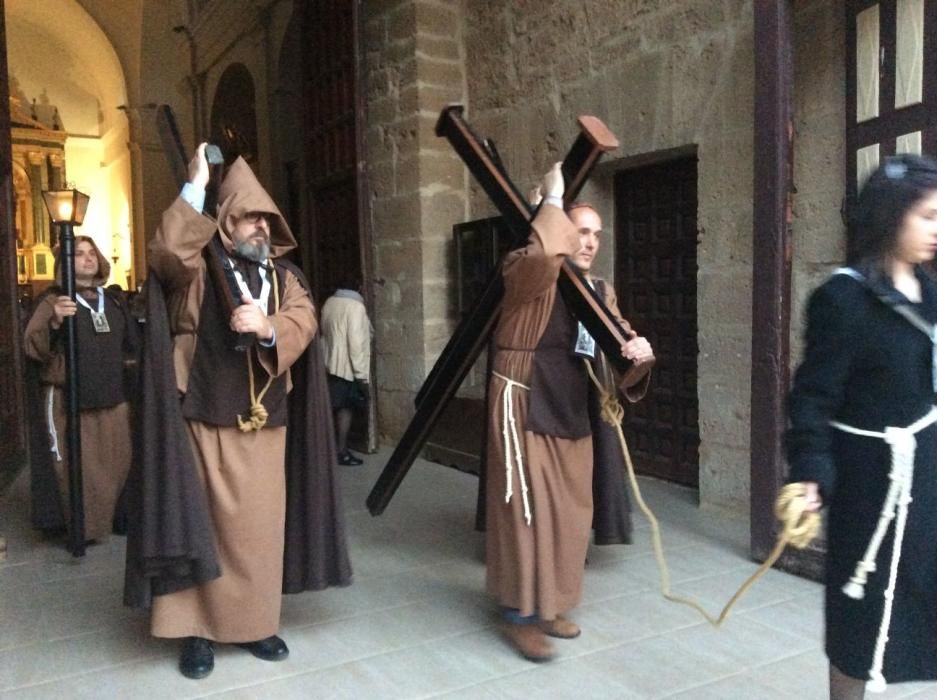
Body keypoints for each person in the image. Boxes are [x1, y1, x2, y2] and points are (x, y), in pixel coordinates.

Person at [125, 144, 351, 680]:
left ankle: (253, 622)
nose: (259, 228)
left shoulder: (284, 276)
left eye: (265, 220)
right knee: (201, 522)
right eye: (249, 217)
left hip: (265, 419)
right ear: (225, 221)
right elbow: (165, 254)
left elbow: (305, 318)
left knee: (258, 530)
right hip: (203, 413)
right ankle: (197, 631)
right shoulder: (201, 267)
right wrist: (196, 186)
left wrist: (269, 326)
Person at [485, 163, 654, 661]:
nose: (589, 242)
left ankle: (551, 603)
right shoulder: (527, 272)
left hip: (571, 409)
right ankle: (520, 614)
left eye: (596, 235)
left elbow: (619, 337)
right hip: (524, 401)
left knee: (569, 515)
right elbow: (542, 255)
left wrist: (638, 351)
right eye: (580, 232)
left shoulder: (599, 291)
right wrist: (553, 199)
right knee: (526, 513)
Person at [786, 154, 937, 699]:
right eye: (926, 216)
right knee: (862, 609)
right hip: (869, 487)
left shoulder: (934, 294)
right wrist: (808, 471)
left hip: (930, 481)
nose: (935, 230)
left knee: (925, 603)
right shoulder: (843, 299)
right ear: (891, 214)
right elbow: (812, 396)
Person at [23, 235, 137, 543]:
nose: (86, 258)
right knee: (78, 467)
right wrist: (56, 322)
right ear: (65, 264)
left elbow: (131, 347)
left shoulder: (113, 301)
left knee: (116, 460)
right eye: (77, 254)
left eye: (91, 253)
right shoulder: (53, 301)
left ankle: (109, 519)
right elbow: (33, 346)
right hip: (69, 398)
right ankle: (84, 530)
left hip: (112, 396)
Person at [320, 277, 372, 465]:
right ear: (358, 287)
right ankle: (341, 451)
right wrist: (361, 375)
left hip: (329, 364)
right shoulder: (356, 307)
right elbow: (356, 344)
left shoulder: (329, 302)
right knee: (345, 410)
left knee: (332, 409)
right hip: (346, 367)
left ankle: (330, 450)